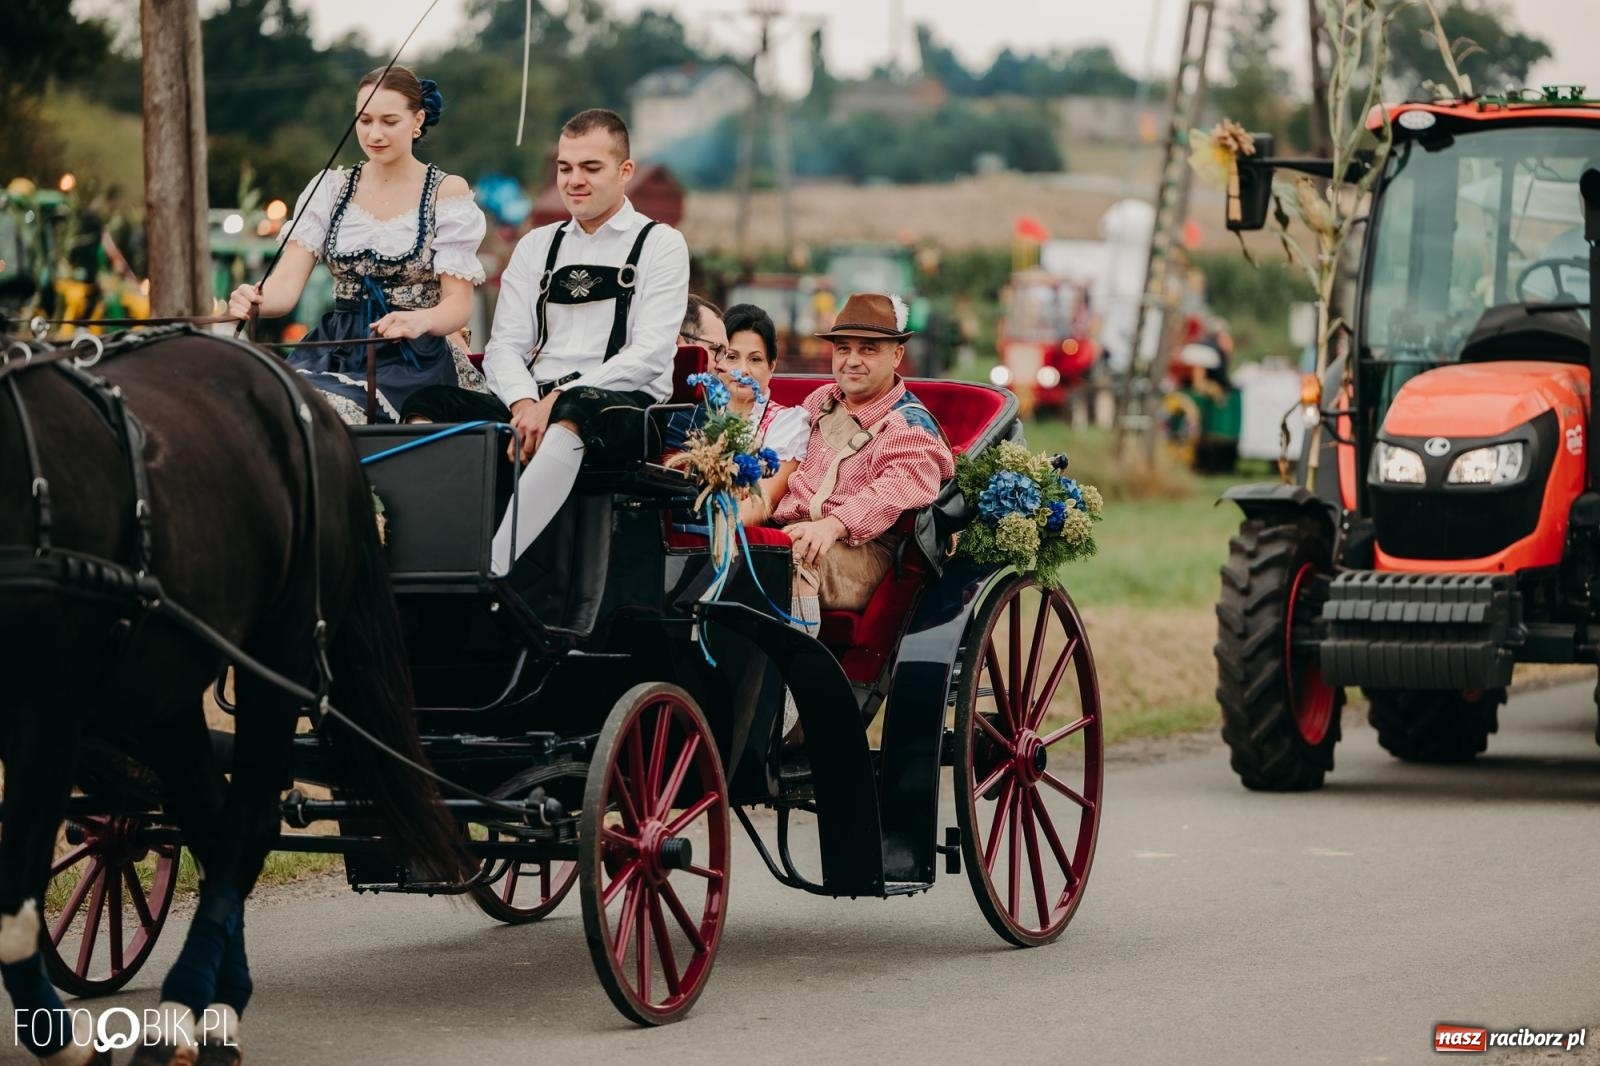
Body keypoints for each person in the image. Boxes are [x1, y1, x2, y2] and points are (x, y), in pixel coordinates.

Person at [401, 108, 690, 575]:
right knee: (428, 403)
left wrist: (556, 400)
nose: (574, 180)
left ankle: (492, 572)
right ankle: (425, 559)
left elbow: (650, 354)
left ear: (625, 172)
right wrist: (521, 403)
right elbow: (505, 347)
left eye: (591, 168)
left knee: (577, 412)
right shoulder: (537, 246)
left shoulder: (661, 244)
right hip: (534, 403)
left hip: (626, 409)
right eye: (565, 167)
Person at [227, 65, 487, 424]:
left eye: (389, 121)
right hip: (335, 348)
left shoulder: (446, 192)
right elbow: (284, 290)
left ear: (417, 120)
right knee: (267, 401)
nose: (374, 133)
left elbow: (458, 305)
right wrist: (253, 299)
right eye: (364, 121)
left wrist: (418, 321)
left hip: (413, 358)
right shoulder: (329, 189)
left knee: (326, 411)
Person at [772, 292, 954, 621]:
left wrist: (832, 525)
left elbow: (894, 490)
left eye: (868, 349)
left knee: (798, 556)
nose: (852, 360)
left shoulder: (910, 426)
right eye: (843, 348)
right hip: (792, 529)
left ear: (897, 355)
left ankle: (796, 672)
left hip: (867, 552)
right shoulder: (819, 401)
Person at [668, 301, 809, 527]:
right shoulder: (693, 410)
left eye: (755, 359)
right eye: (732, 356)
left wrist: (717, 531)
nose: (743, 370)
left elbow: (762, 500)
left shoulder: (788, 422)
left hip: (739, 535)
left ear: (772, 366)